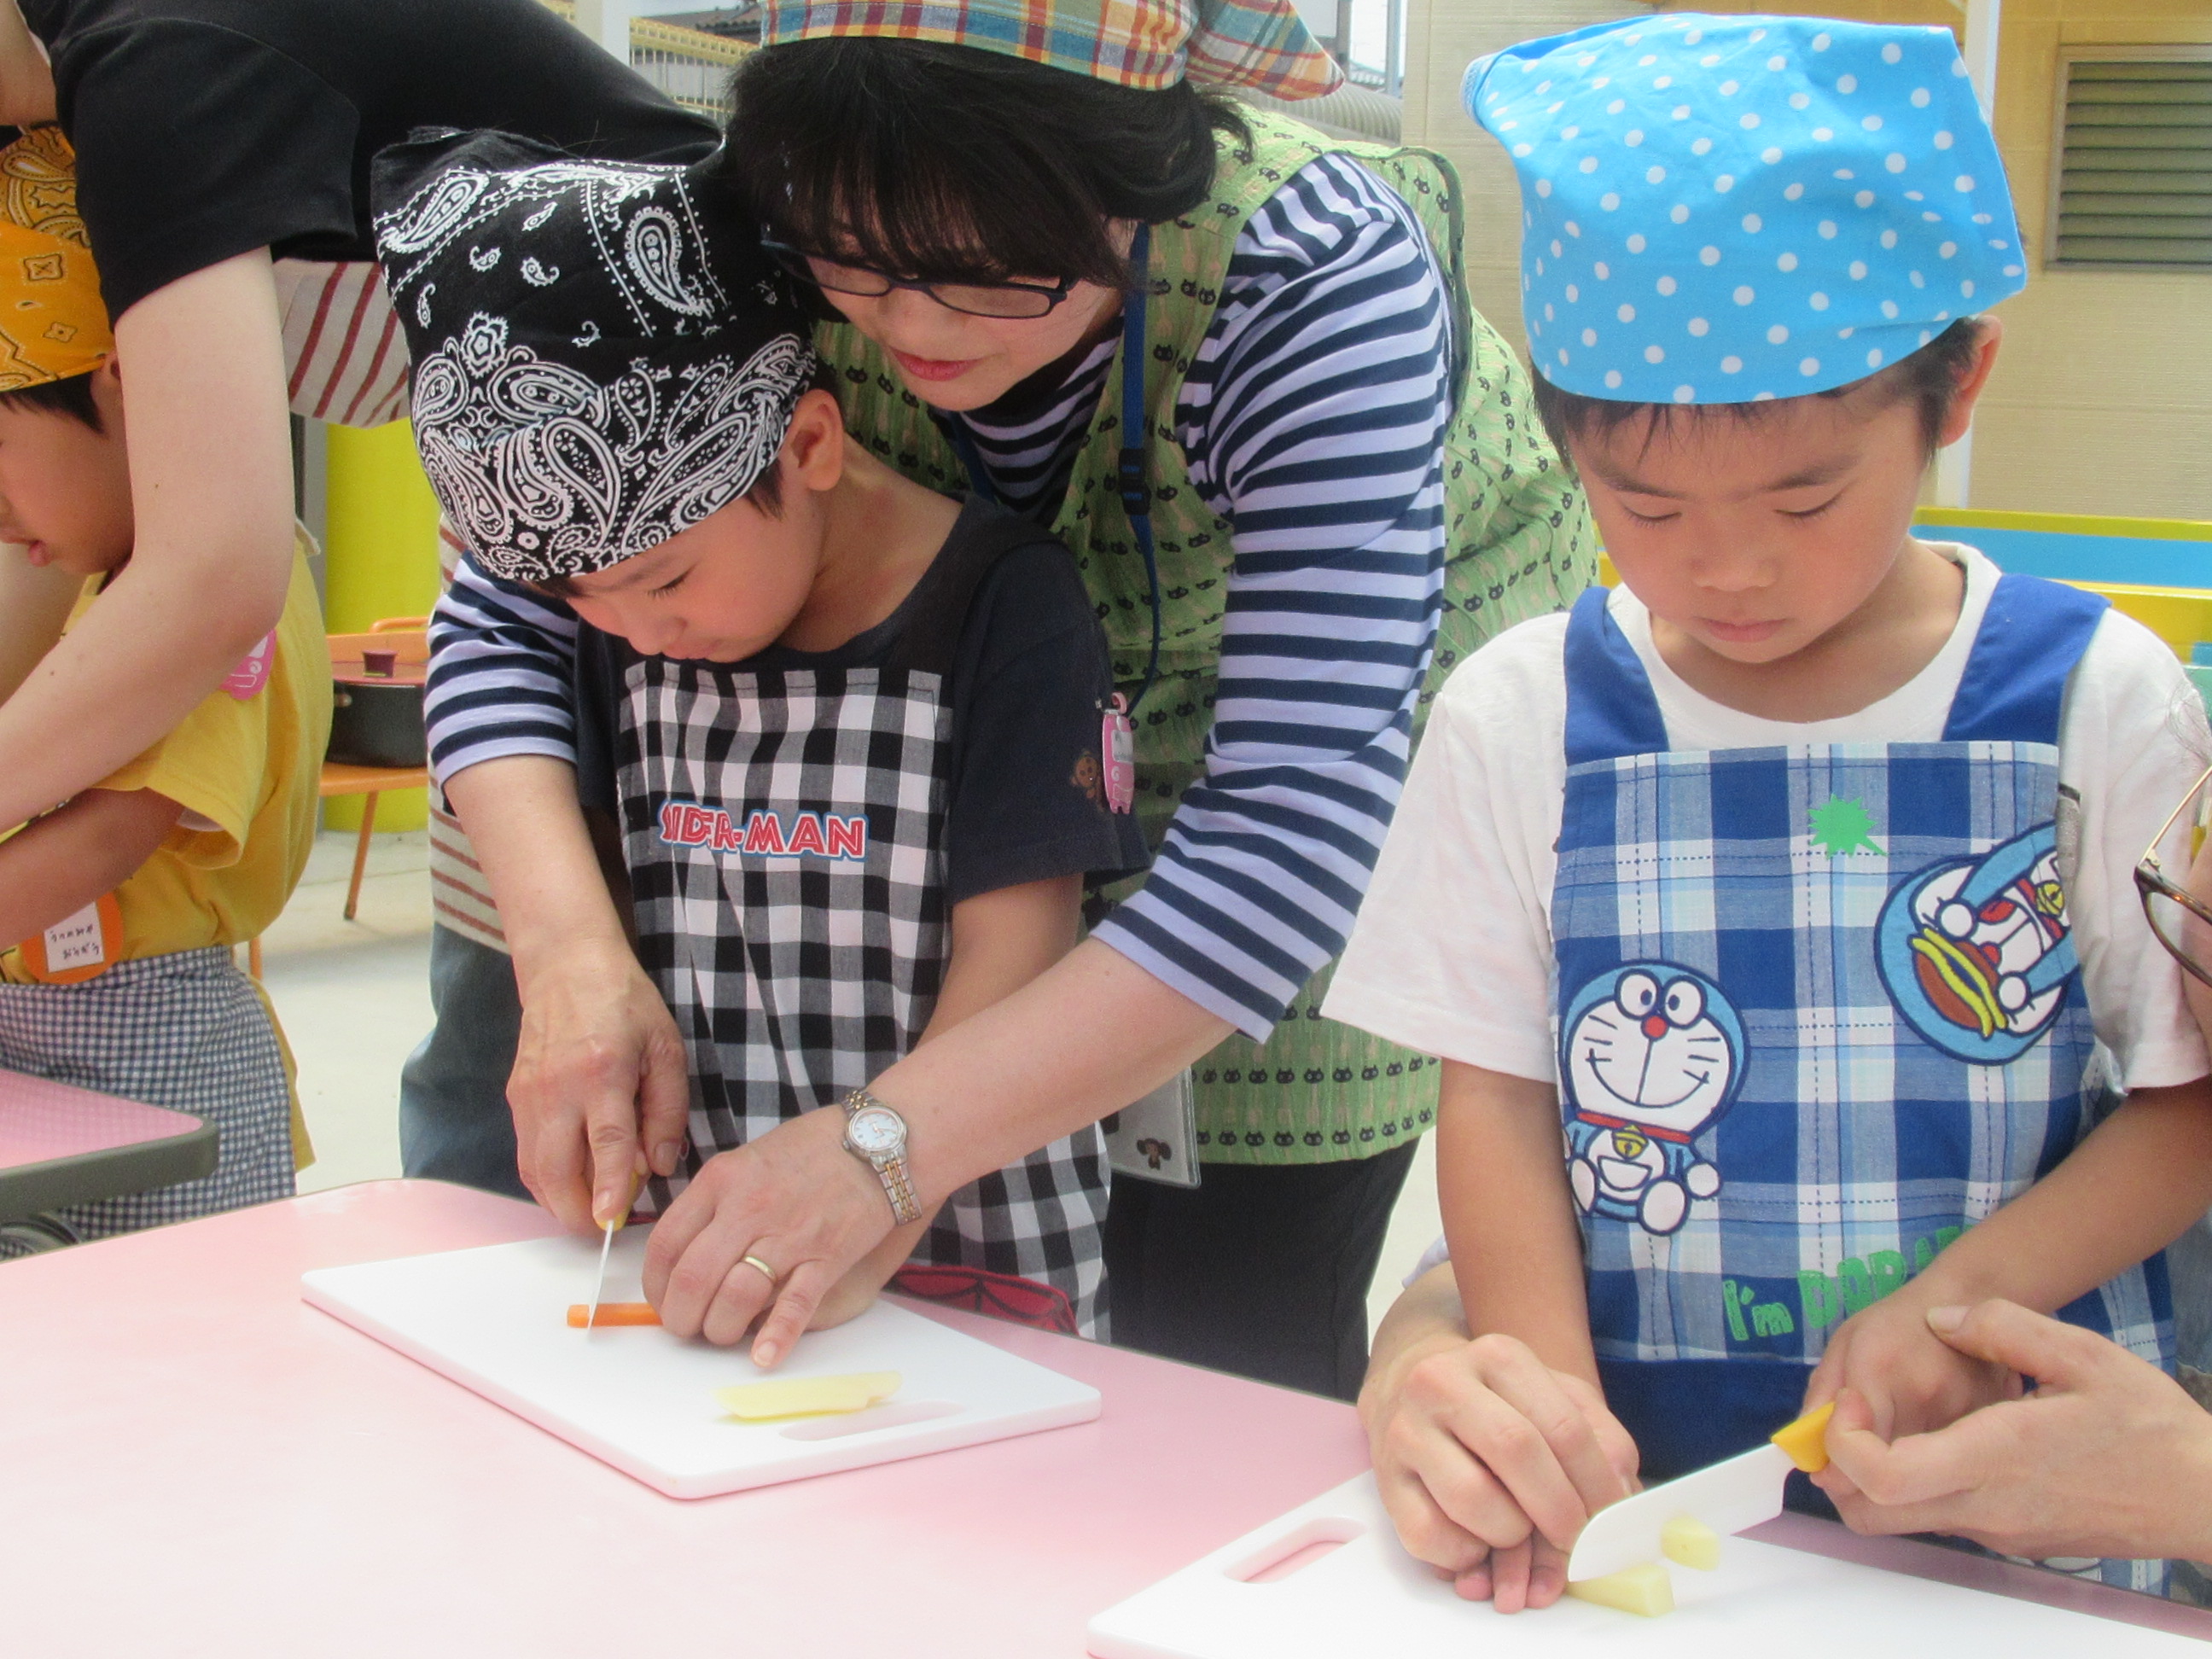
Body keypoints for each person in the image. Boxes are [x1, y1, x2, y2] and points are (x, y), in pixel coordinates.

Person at [425, 0, 1595, 1396]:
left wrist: (882, 1151)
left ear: (1139, 176)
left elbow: (1289, 835)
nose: (912, 327)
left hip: (1297, 773)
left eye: (988, 271)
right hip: (953, 776)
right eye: (853, 260)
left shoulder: (1307, 274)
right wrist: (568, 957)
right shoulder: (742, 218)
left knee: (1215, 1358)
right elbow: (507, 605)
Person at [1329, 12, 2212, 1606]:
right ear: (1565, 436)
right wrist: (1547, 1407)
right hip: (1663, 1495)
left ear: (1957, 388)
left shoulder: (2097, 697)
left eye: (1807, 497)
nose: (1729, 567)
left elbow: (2187, 1101)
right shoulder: (1526, 716)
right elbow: (1500, 1097)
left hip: (2036, 1477)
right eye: (1646, 504)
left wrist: (1960, 1301)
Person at [375, 131, 1148, 1332]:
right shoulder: (617, 621)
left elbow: (1023, 953)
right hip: (707, 1240)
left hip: (964, 1232)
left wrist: (878, 1196)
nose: (635, 630)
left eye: (667, 579)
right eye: (579, 599)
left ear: (810, 445)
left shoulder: (1005, 607)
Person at [0, 0, 721, 1204]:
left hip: (700, 578)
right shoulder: (49, 128)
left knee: (614, 1137)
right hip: (519, 587)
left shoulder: (154, 65)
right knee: (491, 1129)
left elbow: (211, 578)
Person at [0, 129, 325, 1251]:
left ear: (127, 386)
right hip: (37, 1016)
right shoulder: (109, 582)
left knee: (176, 1325)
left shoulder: (214, 593)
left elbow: (114, 832)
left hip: (158, 1042)